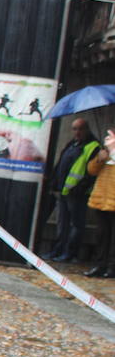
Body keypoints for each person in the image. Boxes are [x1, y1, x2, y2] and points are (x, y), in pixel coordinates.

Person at [48, 118, 100, 263]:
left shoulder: (93, 146)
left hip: (77, 193)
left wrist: (80, 187)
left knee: (76, 224)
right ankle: (58, 250)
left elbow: (91, 172)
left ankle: (70, 253)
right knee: (62, 224)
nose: (77, 132)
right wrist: (54, 183)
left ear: (86, 129)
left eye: (80, 129)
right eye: (74, 129)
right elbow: (60, 164)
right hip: (63, 191)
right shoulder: (71, 144)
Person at [82, 128, 115, 278]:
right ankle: (99, 265)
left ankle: (111, 267)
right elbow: (91, 170)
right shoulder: (105, 153)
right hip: (101, 200)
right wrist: (100, 159)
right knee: (101, 235)